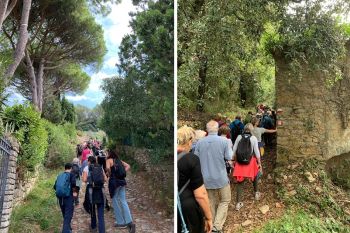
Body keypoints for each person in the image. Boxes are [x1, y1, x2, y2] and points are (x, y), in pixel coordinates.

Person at [194, 121, 233, 233]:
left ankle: (212, 225)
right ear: (217, 129)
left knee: (211, 201)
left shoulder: (200, 143)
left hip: (205, 178)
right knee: (225, 200)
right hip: (221, 177)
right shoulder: (225, 141)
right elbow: (229, 156)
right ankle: (217, 226)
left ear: (207, 130)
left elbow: (196, 159)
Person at [177, 126, 212, 233]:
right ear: (189, 141)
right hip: (187, 210)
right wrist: (209, 217)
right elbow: (200, 194)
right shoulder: (191, 159)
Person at [232, 123, 263, 211]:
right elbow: (257, 152)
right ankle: (256, 192)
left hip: (240, 162)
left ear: (244, 129)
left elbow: (234, 149)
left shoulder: (239, 137)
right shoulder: (253, 138)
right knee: (255, 175)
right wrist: (259, 163)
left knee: (240, 181)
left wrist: (233, 160)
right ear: (251, 130)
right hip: (250, 161)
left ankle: (238, 203)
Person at [106, 149, 136, 233]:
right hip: (122, 181)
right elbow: (128, 166)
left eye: (107, 153)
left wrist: (109, 173)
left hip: (114, 182)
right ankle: (129, 222)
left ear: (109, 154)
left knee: (115, 200)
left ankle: (121, 222)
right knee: (123, 201)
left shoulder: (108, 160)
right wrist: (121, 172)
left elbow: (108, 168)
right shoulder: (119, 160)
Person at [82, 156, 107, 233]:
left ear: (89, 161)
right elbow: (105, 179)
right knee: (100, 213)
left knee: (92, 210)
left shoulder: (86, 168)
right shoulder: (100, 167)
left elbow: (84, 180)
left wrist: (90, 179)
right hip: (100, 190)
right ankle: (102, 230)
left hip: (91, 191)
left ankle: (93, 227)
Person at [54, 163, 77, 233]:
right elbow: (73, 184)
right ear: (71, 168)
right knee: (68, 216)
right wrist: (75, 194)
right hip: (68, 198)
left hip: (61, 198)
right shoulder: (71, 175)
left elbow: (55, 186)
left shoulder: (60, 175)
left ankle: (68, 229)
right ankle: (65, 231)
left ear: (65, 168)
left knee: (65, 215)